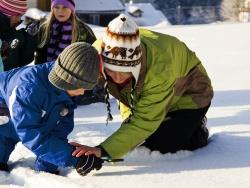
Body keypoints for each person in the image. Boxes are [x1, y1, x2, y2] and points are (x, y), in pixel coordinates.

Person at [71, 14, 214, 162]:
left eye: (125, 72)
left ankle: (197, 130)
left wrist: (103, 151)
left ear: (137, 65)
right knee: (137, 139)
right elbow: (71, 79)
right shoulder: (95, 56)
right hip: (155, 92)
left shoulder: (160, 69)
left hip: (189, 94)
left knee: (161, 145)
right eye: (111, 71)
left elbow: (144, 121)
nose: (118, 78)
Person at [0, 42, 103, 176]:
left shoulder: (64, 93)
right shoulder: (28, 88)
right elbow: (29, 133)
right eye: (82, 87)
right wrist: (73, 159)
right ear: (69, 81)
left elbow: (58, 133)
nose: (83, 93)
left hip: (21, 118)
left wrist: (47, 171)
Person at [35, 0, 105, 105]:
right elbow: (39, 56)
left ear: (72, 10)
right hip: (49, 77)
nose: (60, 11)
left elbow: (93, 57)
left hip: (75, 81)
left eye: (65, 7)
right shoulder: (45, 28)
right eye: (56, 7)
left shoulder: (83, 30)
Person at [0, 0, 36, 71]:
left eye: (20, 15)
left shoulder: (15, 29)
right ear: (7, 13)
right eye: (17, 15)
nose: (19, 19)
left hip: (13, 77)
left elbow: (24, 63)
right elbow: (3, 59)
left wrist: (30, 38)